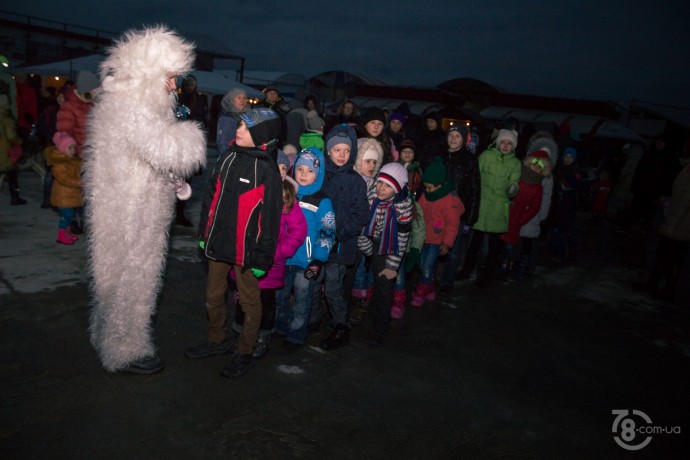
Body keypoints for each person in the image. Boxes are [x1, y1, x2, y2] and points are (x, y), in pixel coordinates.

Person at [84, 26, 207, 375]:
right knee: (132, 279)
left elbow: (149, 158)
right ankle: (124, 348)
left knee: (113, 274)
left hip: (126, 204)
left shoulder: (126, 103)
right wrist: (188, 135)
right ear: (150, 72)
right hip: (132, 210)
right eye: (169, 77)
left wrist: (174, 183)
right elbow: (172, 151)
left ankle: (106, 335)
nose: (173, 86)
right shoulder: (132, 107)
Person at [189, 107, 283, 378]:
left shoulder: (266, 170)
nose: (237, 130)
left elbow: (271, 219)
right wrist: (204, 235)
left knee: (249, 303)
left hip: (247, 252)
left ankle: (244, 351)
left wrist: (262, 258)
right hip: (218, 243)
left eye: (244, 127)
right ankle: (216, 340)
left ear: (261, 134)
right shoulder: (227, 157)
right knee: (213, 296)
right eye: (239, 125)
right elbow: (210, 198)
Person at [229, 178, 307, 359]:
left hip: (271, 265)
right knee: (242, 301)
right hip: (247, 260)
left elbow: (298, 231)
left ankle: (263, 337)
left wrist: (278, 252)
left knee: (267, 304)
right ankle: (241, 334)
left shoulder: (287, 198)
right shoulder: (256, 192)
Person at [275, 147, 336, 352]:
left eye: (309, 171)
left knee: (302, 299)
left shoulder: (322, 201)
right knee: (280, 296)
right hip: (283, 258)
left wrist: (319, 259)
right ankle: (281, 326)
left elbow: (327, 231)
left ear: (318, 175)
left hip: (307, 262)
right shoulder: (287, 192)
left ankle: (296, 334)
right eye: (300, 169)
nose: (303, 174)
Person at [317, 124, 370, 351]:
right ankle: (311, 320)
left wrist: (338, 235)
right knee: (313, 282)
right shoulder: (320, 174)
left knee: (333, 287)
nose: (341, 155)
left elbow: (360, 215)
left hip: (339, 246)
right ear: (328, 151)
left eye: (346, 151)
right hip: (317, 243)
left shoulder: (355, 180)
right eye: (337, 150)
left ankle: (341, 325)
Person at [357, 162, 413, 345]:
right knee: (374, 279)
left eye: (388, 185)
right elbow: (361, 222)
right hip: (370, 240)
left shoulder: (403, 206)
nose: (381, 188)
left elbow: (402, 239)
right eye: (380, 182)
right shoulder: (371, 194)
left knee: (384, 284)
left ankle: (381, 329)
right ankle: (372, 315)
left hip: (390, 245)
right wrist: (366, 248)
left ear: (397, 188)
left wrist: (392, 266)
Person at [458, 129, 521, 289]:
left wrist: (513, 188)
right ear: (498, 143)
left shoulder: (515, 163)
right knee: (475, 242)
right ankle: (466, 270)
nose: (505, 146)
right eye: (503, 142)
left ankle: (486, 276)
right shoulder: (487, 156)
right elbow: (476, 174)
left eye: (509, 143)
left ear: (513, 146)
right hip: (483, 205)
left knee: (494, 246)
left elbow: (514, 180)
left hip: (499, 208)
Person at [636, 150, 690, 303]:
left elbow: (685, 201)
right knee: (662, 253)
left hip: (682, 224)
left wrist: (671, 224)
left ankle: (669, 289)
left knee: (674, 257)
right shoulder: (685, 167)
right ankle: (654, 283)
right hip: (674, 219)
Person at [411, 157, 464, 307]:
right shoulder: (425, 196)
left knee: (427, 267)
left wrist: (447, 243)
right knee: (421, 265)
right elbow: (419, 214)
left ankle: (422, 291)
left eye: (430, 188)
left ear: (440, 185)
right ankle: (430, 287)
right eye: (425, 187)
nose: (427, 191)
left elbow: (453, 224)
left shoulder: (449, 200)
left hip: (437, 241)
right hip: (423, 238)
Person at [437, 124, 481, 294]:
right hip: (438, 209)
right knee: (434, 245)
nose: (453, 139)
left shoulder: (470, 160)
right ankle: (428, 278)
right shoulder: (440, 156)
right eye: (451, 135)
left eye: (457, 136)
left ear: (464, 139)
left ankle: (447, 282)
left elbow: (475, 189)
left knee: (453, 250)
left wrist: (470, 217)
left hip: (458, 212)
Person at [347, 137, 384, 324]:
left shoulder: (377, 186)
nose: (371, 165)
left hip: (365, 239)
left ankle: (357, 303)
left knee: (360, 273)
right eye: (367, 160)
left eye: (375, 162)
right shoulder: (350, 181)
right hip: (348, 237)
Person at [499, 149, 552, 275]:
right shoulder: (519, 176)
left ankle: (508, 267)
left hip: (517, 219)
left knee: (512, 245)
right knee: (500, 242)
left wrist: (520, 219)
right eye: (534, 162)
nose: (535, 166)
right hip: (505, 215)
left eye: (540, 165)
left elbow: (535, 207)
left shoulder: (538, 187)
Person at [44, 132, 83, 245]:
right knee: (66, 216)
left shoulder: (72, 160)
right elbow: (64, 178)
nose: (73, 151)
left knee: (69, 216)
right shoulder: (59, 164)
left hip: (69, 196)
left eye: (74, 148)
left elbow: (79, 166)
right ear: (61, 149)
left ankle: (67, 233)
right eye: (69, 148)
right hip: (62, 196)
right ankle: (61, 236)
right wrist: (79, 182)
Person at [548, 147, 583, 262]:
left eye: (570, 157)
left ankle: (568, 254)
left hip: (568, 202)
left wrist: (566, 185)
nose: (567, 159)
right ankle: (557, 252)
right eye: (566, 156)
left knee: (566, 229)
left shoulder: (575, 171)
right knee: (557, 227)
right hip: (559, 201)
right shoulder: (560, 169)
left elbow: (575, 185)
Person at [0, 92, 26, 205]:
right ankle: (15, 197)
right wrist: (20, 141)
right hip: (5, 151)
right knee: (12, 175)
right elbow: (11, 136)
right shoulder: (7, 118)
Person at [215, 87, 248, 155]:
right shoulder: (226, 119)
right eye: (239, 97)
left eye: (244, 98)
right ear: (232, 101)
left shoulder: (248, 118)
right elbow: (222, 143)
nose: (242, 100)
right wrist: (230, 158)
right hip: (232, 158)